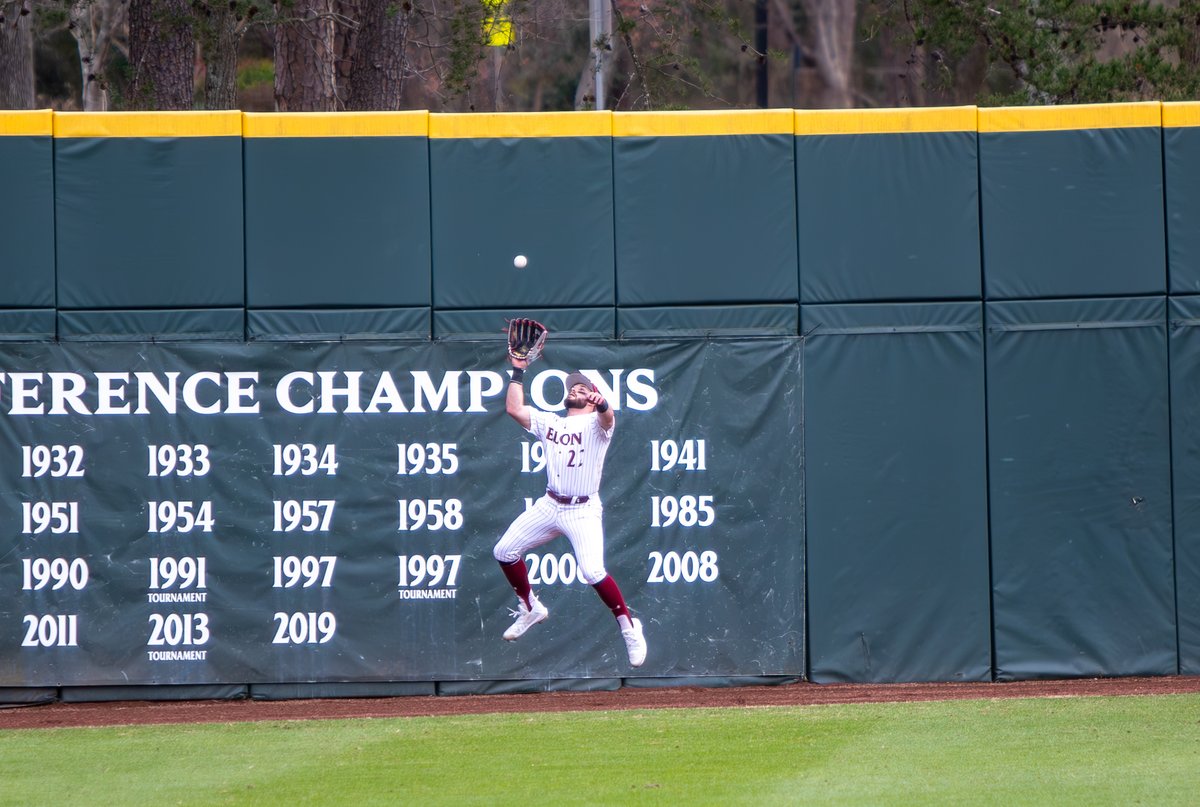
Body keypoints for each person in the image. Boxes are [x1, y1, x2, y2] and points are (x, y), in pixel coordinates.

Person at [492, 354, 647, 667]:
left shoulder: (597, 424)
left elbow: (608, 418)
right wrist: (518, 371)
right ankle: (531, 607)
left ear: (591, 398)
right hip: (550, 504)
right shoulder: (551, 421)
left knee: (592, 571)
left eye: (581, 388)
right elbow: (514, 409)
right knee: (504, 550)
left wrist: (602, 404)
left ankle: (629, 626)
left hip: (583, 510)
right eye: (572, 387)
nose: (575, 389)